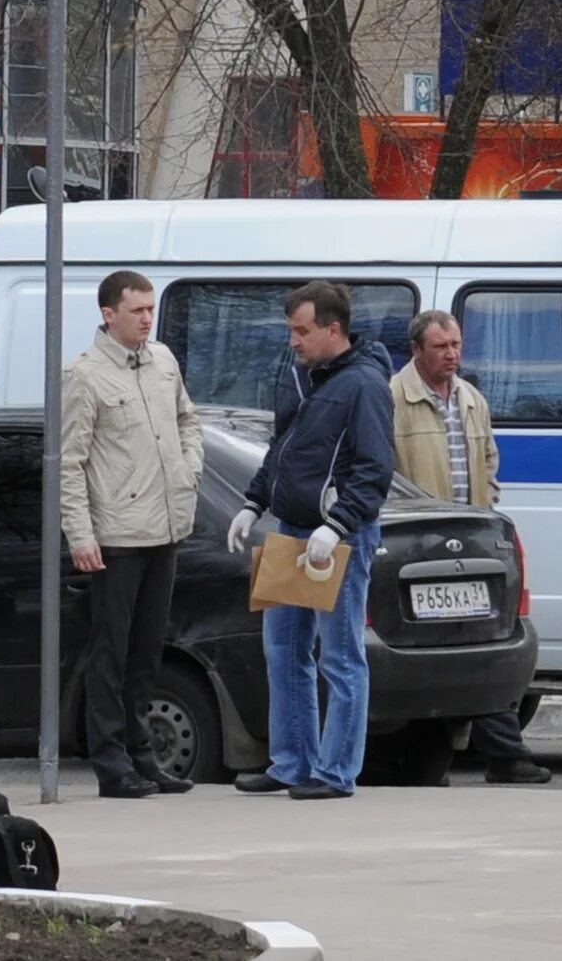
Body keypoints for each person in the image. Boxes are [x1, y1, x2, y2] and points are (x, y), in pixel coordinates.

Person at [226, 281, 394, 800]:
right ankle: (292, 763)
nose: (293, 341)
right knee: (284, 650)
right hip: (292, 530)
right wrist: (254, 502)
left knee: (340, 656)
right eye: (290, 330)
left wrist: (338, 524)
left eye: (301, 331)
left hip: (334, 538)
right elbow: (284, 446)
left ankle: (336, 770)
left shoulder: (364, 384)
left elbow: (375, 467)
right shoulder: (303, 375)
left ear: (332, 328)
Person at [390, 310, 551, 785]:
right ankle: (427, 755)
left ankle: (504, 754)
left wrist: (485, 506)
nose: (452, 354)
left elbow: (488, 461)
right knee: (434, 648)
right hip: (416, 540)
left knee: (487, 642)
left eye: (456, 345)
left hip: (471, 536)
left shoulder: (470, 398)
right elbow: (384, 472)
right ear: (417, 350)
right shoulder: (393, 398)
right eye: (441, 347)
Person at [62, 271, 204, 798]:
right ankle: (111, 759)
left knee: (147, 652)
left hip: (163, 527)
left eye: (150, 308)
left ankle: (143, 756)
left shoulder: (162, 361)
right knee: (111, 652)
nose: (147, 317)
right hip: (116, 534)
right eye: (137, 309)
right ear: (108, 314)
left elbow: (189, 421)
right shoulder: (85, 375)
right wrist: (81, 533)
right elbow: (69, 463)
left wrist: (189, 471)